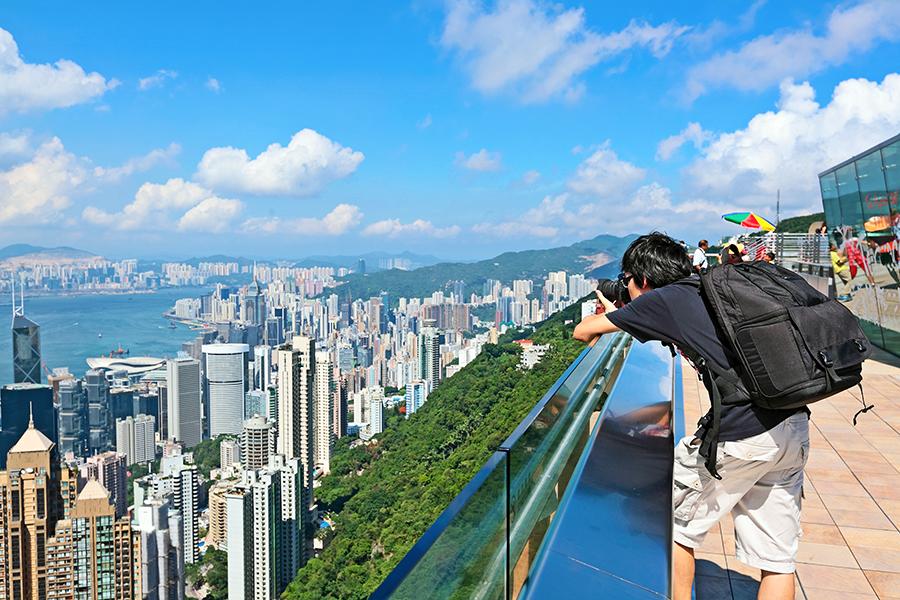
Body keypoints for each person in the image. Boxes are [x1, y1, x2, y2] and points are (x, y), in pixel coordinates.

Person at [573, 232, 809, 600]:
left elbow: (582, 331)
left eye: (628, 283)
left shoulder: (663, 300)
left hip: (743, 434)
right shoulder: (709, 290)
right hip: (791, 425)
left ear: (644, 280)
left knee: (670, 526)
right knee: (777, 561)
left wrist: (611, 310)